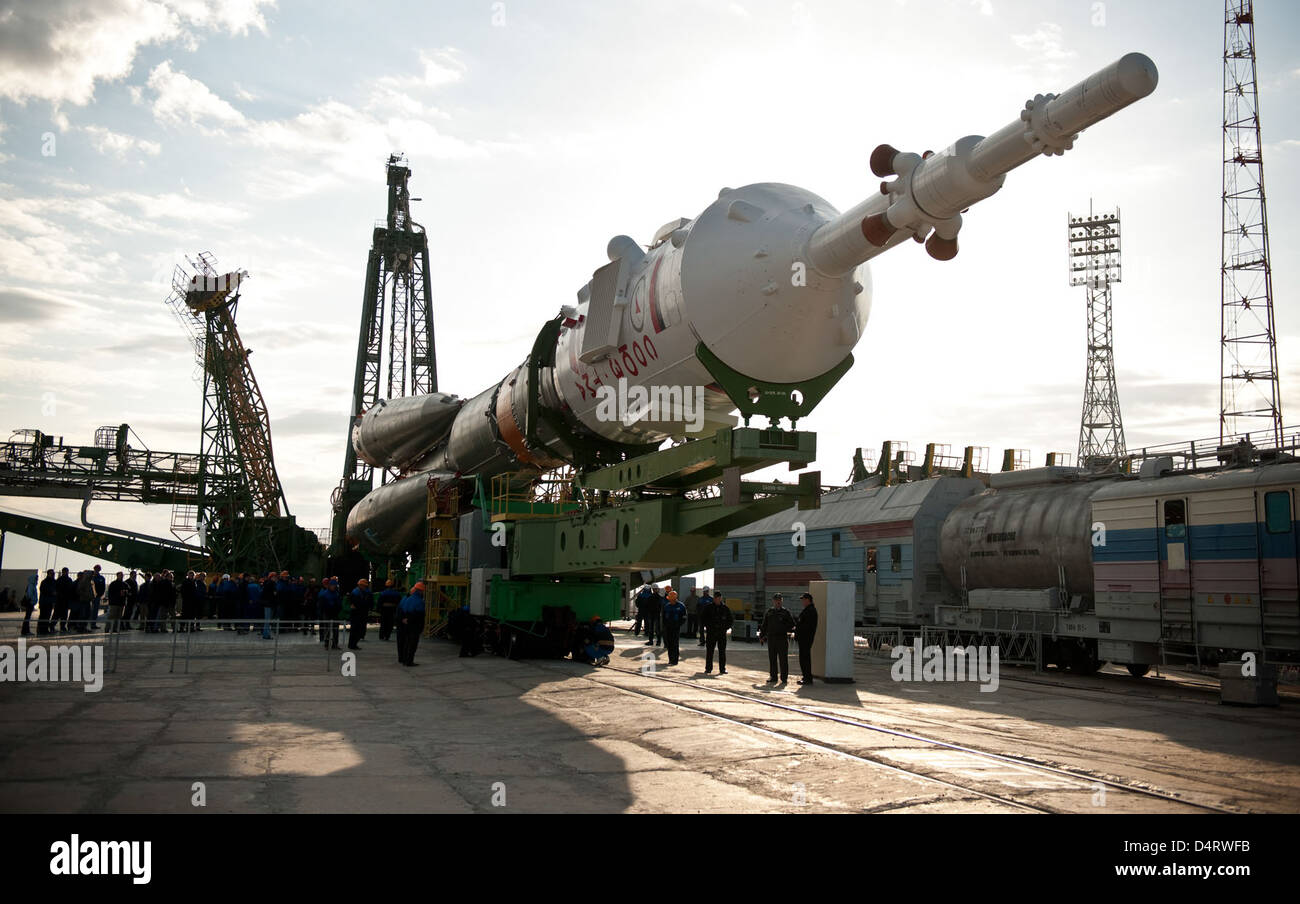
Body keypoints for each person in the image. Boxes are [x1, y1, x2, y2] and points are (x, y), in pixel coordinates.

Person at [759, 593, 796, 684]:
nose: (777, 602)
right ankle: (773, 676)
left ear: (781, 601)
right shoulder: (769, 612)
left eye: (779, 600)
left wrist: (784, 627)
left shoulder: (785, 612)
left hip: (782, 638)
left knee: (783, 659)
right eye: (776, 600)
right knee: (772, 658)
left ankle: (784, 678)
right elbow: (764, 625)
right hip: (772, 638)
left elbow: (792, 625)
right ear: (773, 601)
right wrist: (761, 636)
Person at [396, 582, 426, 666]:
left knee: (407, 642)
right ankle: (409, 661)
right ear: (420, 591)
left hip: (406, 625)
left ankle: (404, 660)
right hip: (415, 625)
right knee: (413, 644)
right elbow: (419, 615)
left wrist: (405, 619)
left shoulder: (407, 599)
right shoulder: (420, 602)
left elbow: (402, 611)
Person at [702, 594, 733, 675]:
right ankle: (708, 669)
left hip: (721, 633)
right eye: (715, 598)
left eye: (718, 598)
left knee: (722, 651)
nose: (717, 600)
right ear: (714, 599)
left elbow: (730, 620)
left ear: (720, 598)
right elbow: (703, 618)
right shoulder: (708, 608)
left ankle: (722, 669)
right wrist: (708, 627)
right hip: (711, 633)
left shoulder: (725, 608)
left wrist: (725, 628)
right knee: (709, 651)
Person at [795, 592, 819, 685]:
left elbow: (806, 626)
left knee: (804, 658)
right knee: (804, 658)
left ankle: (807, 678)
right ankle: (806, 677)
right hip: (804, 638)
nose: (802, 602)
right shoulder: (808, 610)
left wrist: (799, 632)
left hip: (805, 638)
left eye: (803, 600)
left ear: (807, 600)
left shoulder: (810, 611)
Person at [661, 589, 686, 666]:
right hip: (668, 627)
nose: (671, 601)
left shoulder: (681, 606)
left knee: (675, 644)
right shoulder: (667, 606)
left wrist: (678, 624)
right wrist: (665, 625)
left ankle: (675, 660)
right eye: (670, 600)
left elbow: (684, 617)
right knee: (669, 643)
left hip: (676, 628)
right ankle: (670, 659)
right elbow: (664, 617)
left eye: (672, 599)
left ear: (675, 598)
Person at [317, 579, 342, 648]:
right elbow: (321, 605)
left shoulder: (336, 594)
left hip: (334, 614)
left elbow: (339, 604)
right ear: (329, 585)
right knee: (327, 629)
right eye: (333, 585)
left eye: (335, 586)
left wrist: (337, 610)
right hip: (327, 614)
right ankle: (326, 644)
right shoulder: (324, 594)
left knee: (335, 630)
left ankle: (335, 644)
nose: (334, 587)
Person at [347, 578, 372, 650]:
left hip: (360, 613)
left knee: (357, 630)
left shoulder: (361, 592)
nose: (365, 587)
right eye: (364, 586)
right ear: (360, 585)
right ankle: (352, 645)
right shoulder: (356, 593)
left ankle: (353, 644)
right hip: (357, 614)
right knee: (355, 630)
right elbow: (357, 604)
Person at [55, 567, 76, 633]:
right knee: (57, 615)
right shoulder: (62, 580)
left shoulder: (64, 579)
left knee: (63, 615)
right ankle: (57, 626)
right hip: (61, 600)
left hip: (64, 600)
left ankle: (62, 626)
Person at [38, 569, 56, 636]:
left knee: (47, 616)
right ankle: (41, 629)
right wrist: (52, 592)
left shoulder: (53, 582)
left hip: (49, 602)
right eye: (52, 574)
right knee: (43, 616)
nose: (53, 575)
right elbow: (44, 590)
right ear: (48, 574)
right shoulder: (45, 582)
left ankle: (44, 629)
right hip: (45, 602)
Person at [91, 564, 106, 630]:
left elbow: (103, 587)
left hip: (97, 597)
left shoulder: (101, 578)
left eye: (98, 569)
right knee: (88, 611)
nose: (97, 570)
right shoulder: (91, 577)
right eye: (96, 569)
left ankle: (93, 624)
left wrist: (101, 594)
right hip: (90, 596)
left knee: (95, 611)